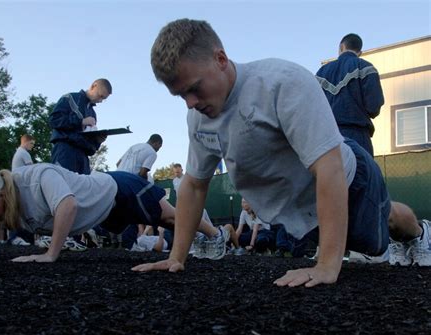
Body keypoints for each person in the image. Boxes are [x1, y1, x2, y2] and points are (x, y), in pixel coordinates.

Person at [132, 19, 431, 287]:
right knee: (361, 240)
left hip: (351, 182)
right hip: (307, 212)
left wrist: (327, 264)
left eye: (195, 88)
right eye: (181, 94)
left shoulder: (280, 83)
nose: (190, 102)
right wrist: (177, 257)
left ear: (220, 59)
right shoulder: (198, 119)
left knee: (385, 228)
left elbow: (329, 167)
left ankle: (419, 233)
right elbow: (195, 185)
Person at [0, 164, 229, 262]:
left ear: (1, 193)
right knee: (167, 223)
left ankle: (216, 237)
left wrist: (51, 254)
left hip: (120, 188)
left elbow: (68, 205)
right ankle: (201, 239)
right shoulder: (4, 197)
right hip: (105, 211)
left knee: (168, 217)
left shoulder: (38, 176)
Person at [316, 33, 384, 156]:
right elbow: (374, 107)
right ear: (360, 52)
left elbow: (313, 107)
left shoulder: (321, 72)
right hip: (358, 136)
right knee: (361, 173)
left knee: (331, 174)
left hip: (328, 139)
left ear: (341, 47)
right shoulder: (366, 68)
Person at [49, 78, 112, 175]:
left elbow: (91, 150)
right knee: (63, 186)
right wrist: (81, 121)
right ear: (93, 86)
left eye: (103, 99)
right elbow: (54, 121)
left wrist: (97, 141)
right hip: (65, 151)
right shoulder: (69, 98)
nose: (100, 101)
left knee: (84, 189)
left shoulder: (92, 113)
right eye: (100, 96)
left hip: (83, 158)